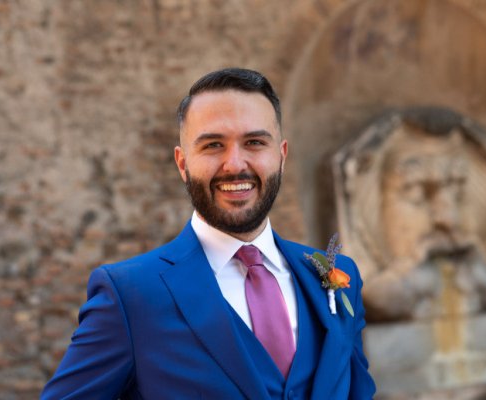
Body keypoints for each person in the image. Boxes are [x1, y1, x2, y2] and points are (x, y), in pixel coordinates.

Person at [41, 68, 376, 399]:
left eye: (254, 142)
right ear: (183, 163)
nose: (235, 164)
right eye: (214, 145)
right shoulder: (129, 296)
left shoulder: (339, 276)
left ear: (281, 156)